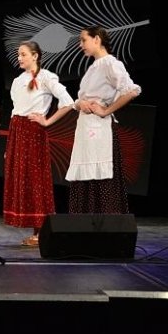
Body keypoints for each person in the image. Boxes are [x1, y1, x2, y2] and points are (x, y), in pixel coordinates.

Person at [2, 41, 74, 246]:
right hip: (17, 130)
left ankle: (41, 230)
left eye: (23, 54)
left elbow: (68, 102)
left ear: (35, 56)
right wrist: (10, 145)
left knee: (36, 179)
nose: (19, 58)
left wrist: (47, 121)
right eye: (18, 54)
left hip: (33, 131)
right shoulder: (18, 80)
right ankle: (34, 228)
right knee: (21, 178)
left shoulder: (47, 77)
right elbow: (15, 110)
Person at [65, 25, 141, 214]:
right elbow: (82, 99)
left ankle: (104, 223)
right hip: (85, 128)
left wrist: (106, 110)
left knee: (101, 178)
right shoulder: (94, 67)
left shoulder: (110, 64)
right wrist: (80, 103)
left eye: (83, 40)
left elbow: (131, 90)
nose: (80, 45)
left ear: (97, 39)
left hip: (99, 129)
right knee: (85, 177)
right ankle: (85, 221)